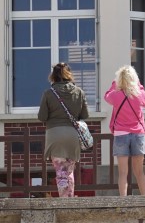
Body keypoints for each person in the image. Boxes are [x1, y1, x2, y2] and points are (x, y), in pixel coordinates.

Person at [37, 62, 89, 198]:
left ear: (53, 76)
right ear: (69, 74)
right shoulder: (79, 92)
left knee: (60, 171)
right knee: (69, 170)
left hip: (55, 135)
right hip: (72, 135)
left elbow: (42, 117)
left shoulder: (49, 93)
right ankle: (69, 198)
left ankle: (63, 200)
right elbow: (85, 116)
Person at [104, 65, 145, 196]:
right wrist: (140, 86)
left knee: (122, 172)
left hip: (120, 133)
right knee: (139, 171)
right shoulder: (139, 93)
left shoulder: (115, 95)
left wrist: (115, 84)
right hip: (138, 133)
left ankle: (123, 200)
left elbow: (106, 96)